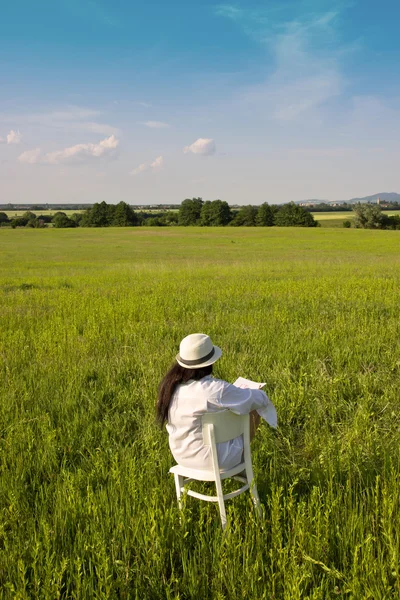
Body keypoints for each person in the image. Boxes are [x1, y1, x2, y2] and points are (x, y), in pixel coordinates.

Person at [156, 333, 275, 471]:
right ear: (210, 362)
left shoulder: (171, 388)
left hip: (181, 457)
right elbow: (258, 399)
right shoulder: (216, 389)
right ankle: (243, 462)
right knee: (251, 409)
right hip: (215, 460)